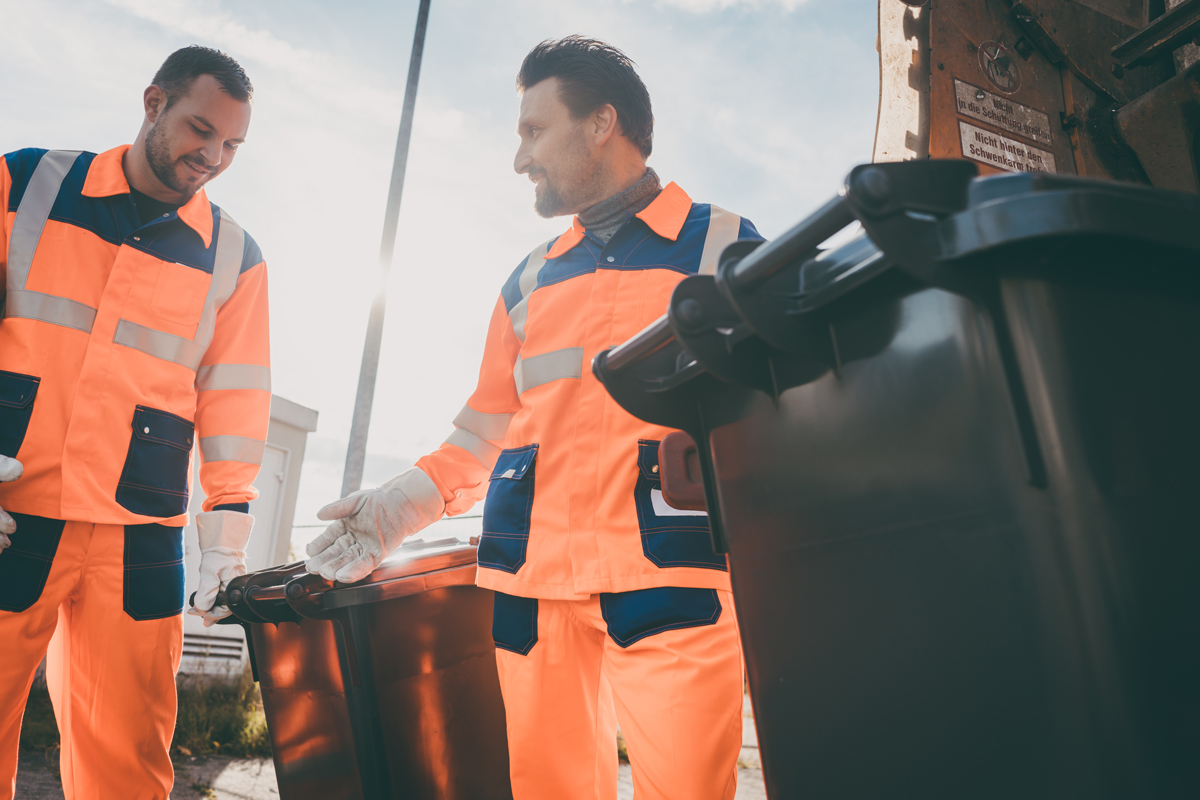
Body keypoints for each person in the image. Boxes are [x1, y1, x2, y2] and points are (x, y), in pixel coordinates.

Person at [306, 36, 763, 800]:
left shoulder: (726, 247)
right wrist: (397, 509)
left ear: (600, 123)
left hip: (673, 578)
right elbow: (484, 432)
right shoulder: (528, 278)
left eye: (532, 131)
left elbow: (783, 411)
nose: (519, 158)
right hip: (532, 589)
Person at [0, 46, 270, 799]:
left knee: (129, 759)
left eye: (232, 146)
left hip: (140, 533)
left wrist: (226, 539)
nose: (212, 156)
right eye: (200, 129)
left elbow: (236, 403)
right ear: (153, 104)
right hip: (15, 511)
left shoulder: (235, 257)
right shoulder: (25, 184)